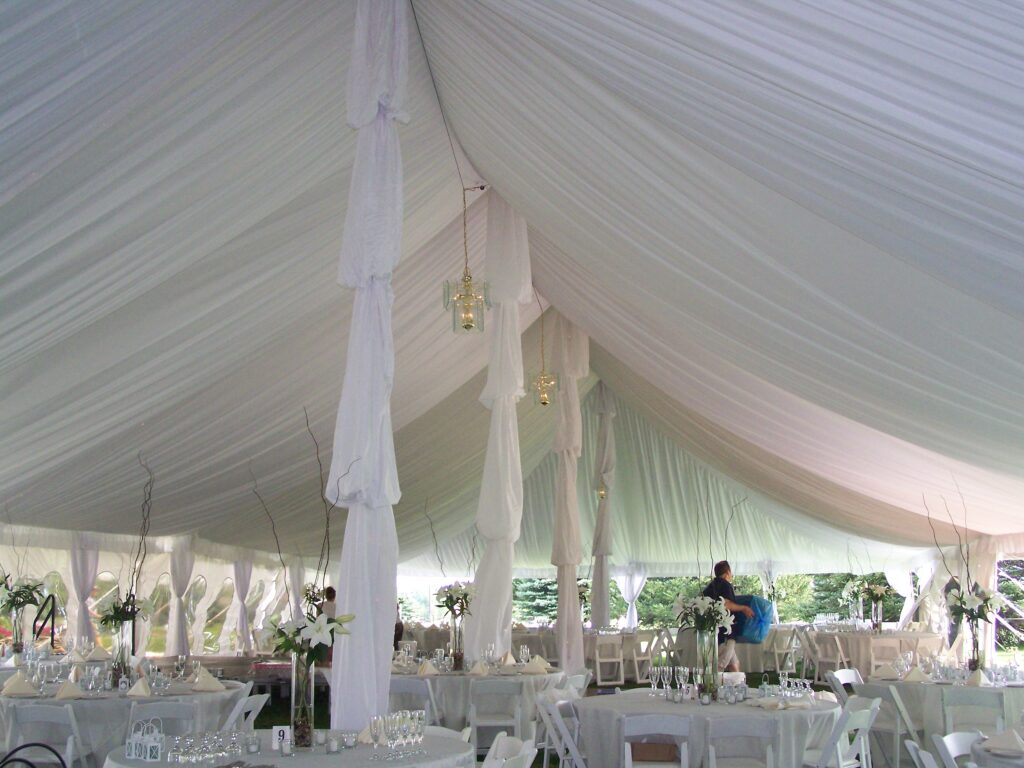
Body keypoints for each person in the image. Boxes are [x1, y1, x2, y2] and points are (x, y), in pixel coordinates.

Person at [703, 560, 754, 672]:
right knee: (721, 664)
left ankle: (738, 686)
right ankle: (711, 685)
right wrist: (744, 608)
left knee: (734, 663)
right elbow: (725, 604)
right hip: (725, 632)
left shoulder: (710, 587)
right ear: (727, 572)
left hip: (714, 630)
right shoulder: (725, 585)